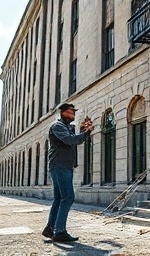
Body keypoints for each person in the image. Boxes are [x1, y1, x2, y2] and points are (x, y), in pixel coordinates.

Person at [42, 103, 94, 242]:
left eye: (73, 113)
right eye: (71, 113)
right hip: (60, 166)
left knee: (59, 198)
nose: (73, 115)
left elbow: (74, 139)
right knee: (68, 197)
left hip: (62, 166)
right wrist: (86, 132)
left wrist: (83, 131)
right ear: (63, 112)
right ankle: (59, 231)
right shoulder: (57, 126)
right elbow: (71, 140)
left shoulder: (65, 127)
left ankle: (50, 228)